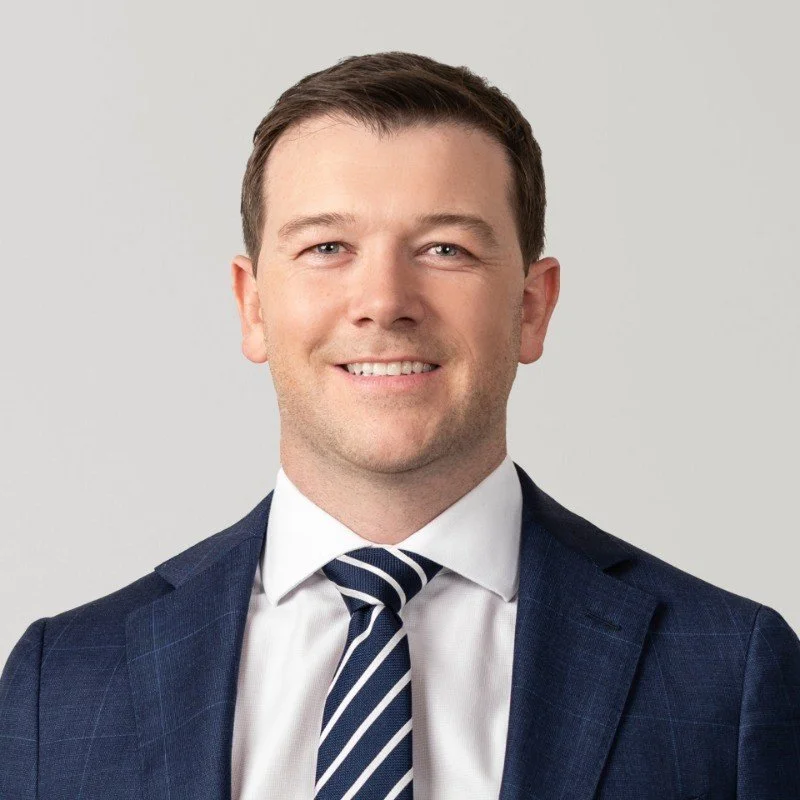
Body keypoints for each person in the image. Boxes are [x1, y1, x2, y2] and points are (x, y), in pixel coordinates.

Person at [2, 50, 798, 800]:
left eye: (445, 248)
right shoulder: (62, 681)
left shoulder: (727, 675)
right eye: (327, 246)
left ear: (531, 305)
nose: (384, 300)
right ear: (252, 306)